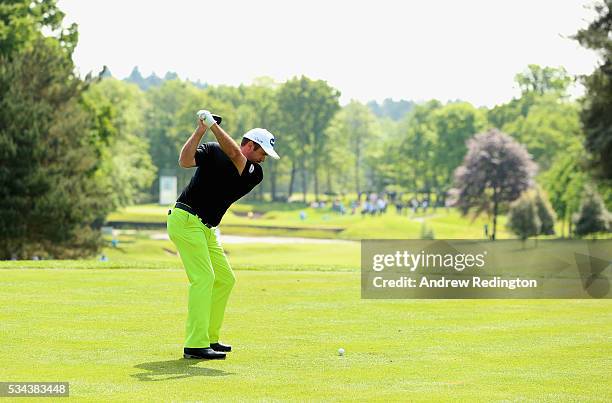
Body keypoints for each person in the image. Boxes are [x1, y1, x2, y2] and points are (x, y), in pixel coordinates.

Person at [167, 109, 280, 360]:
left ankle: (209, 337)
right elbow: (185, 161)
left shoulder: (253, 172)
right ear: (251, 145)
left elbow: (234, 154)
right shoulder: (211, 150)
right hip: (185, 220)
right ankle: (195, 345)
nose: (264, 159)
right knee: (204, 278)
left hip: (207, 228)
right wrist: (201, 129)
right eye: (263, 153)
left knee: (225, 279)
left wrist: (213, 126)